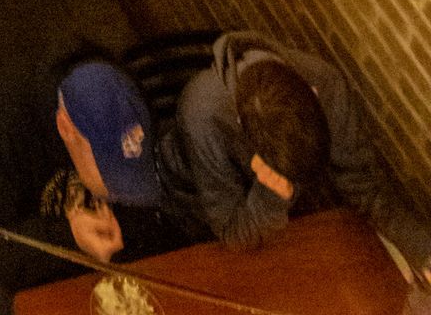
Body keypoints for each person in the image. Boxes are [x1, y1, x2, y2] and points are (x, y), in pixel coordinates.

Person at [161, 35, 431, 297]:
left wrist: (423, 248)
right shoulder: (202, 118)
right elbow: (230, 231)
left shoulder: (327, 84)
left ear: (312, 92)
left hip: (278, 222)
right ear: (245, 134)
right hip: (191, 212)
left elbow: (364, 187)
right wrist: (270, 197)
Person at [0, 49, 184, 315]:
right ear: (65, 128)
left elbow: (145, 207)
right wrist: (71, 238)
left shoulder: (121, 94)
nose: (120, 191)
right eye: (111, 172)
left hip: (45, 216)